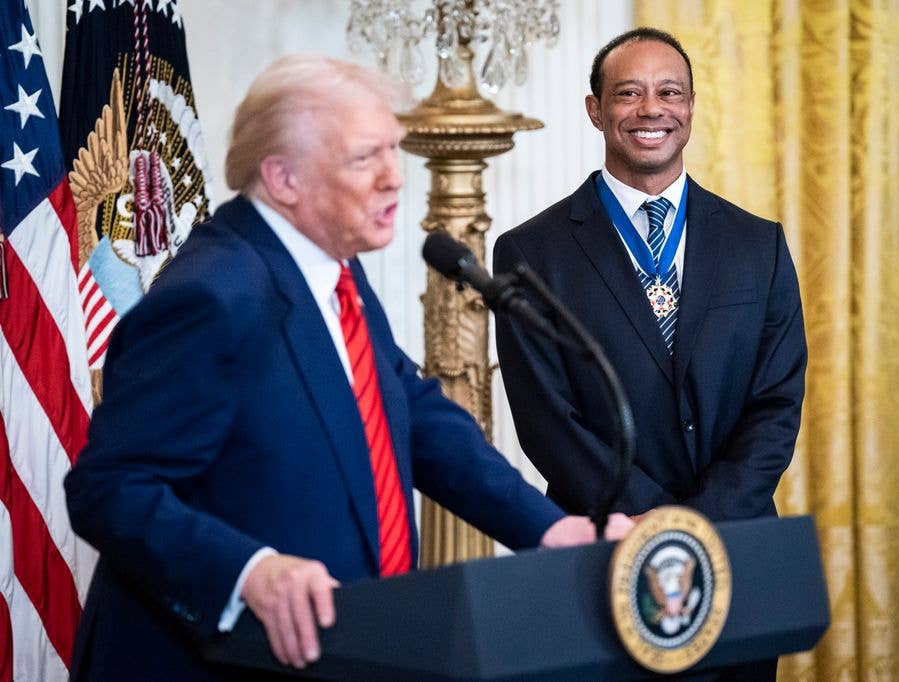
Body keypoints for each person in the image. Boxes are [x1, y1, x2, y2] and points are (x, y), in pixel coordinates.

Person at [64, 55, 631, 682]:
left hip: (343, 647)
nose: (396, 178)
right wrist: (249, 571)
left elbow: (408, 410)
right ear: (283, 178)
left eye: (394, 149)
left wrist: (547, 530)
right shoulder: (211, 297)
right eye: (365, 158)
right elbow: (107, 490)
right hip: (210, 663)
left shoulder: (328, 263)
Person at [495, 28, 806, 542]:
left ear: (690, 107)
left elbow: (776, 403)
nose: (651, 109)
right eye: (628, 93)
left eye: (669, 92)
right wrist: (646, 519)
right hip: (608, 537)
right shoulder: (531, 253)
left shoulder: (758, 245)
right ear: (596, 110)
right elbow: (548, 421)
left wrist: (701, 521)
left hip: (737, 537)